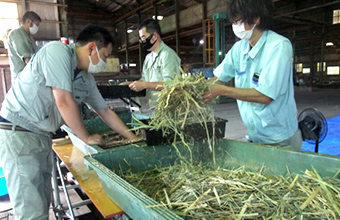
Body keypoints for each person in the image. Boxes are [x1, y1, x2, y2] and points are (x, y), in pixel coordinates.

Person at [0, 24, 139, 220]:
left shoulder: (85, 78)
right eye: (105, 56)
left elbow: (105, 111)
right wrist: (87, 137)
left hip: (40, 134)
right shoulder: (57, 52)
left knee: (42, 201)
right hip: (19, 132)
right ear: (92, 48)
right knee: (30, 209)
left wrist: (132, 138)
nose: (105, 62)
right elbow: (63, 101)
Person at [203, 0, 303, 150]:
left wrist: (221, 90)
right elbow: (218, 77)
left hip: (279, 138)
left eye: (237, 21)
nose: (234, 26)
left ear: (256, 18)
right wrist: (197, 89)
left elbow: (265, 96)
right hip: (255, 135)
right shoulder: (239, 48)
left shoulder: (278, 46)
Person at [126, 18, 181, 109]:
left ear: (154, 36)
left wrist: (144, 85)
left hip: (168, 110)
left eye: (143, 37)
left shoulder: (168, 55)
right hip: (153, 108)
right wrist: (131, 84)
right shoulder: (148, 58)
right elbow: (144, 79)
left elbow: (170, 84)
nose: (141, 41)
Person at [7, 11, 41, 84]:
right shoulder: (16, 34)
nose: (37, 28)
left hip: (29, 77)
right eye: (36, 24)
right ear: (28, 21)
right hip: (21, 79)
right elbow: (28, 60)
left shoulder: (29, 37)